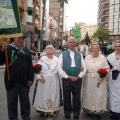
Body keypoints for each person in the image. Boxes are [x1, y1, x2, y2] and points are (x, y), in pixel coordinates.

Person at [0, 35, 34, 120]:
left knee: (25, 102)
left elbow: (30, 66)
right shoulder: (7, 49)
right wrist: (1, 50)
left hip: (24, 82)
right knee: (12, 103)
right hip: (11, 82)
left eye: (22, 39)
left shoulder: (26, 51)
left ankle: (26, 117)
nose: (21, 40)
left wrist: (31, 78)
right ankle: (13, 118)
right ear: (14, 38)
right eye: (19, 38)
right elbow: (0, 61)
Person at [58, 37, 86, 119]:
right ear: (67, 43)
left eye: (74, 42)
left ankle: (76, 113)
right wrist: (67, 76)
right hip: (66, 79)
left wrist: (79, 76)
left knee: (77, 97)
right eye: (70, 42)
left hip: (77, 79)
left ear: (75, 44)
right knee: (66, 97)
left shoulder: (79, 54)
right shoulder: (62, 54)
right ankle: (67, 112)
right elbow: (59, 68)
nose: (72, 44)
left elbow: (84, 67)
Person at [82, 43, 110, 118]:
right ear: (91, 49)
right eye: (93, 48)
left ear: (99, 49)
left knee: (99, 94)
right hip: (89, 80)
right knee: (89, 94)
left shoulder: (102, 58)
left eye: (96, 48)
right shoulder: (87, 57)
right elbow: (84, 68)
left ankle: (98, 111)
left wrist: (103, 76)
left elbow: (107, 68)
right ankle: (89, 109)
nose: (94, 49)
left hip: (99, 80)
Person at [33, 45, 60, 116]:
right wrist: (39, 77)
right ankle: (43, 110)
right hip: (44, 80)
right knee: (43, 95)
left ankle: (52, 110)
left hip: (54, 80)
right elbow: (36, 70)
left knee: (53, 95)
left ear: (53, 51)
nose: (49, 52)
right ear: (46, 51)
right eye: (48, 50)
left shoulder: (57, 59)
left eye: (51, 50)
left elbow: (60, 70)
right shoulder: (42, 59)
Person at [107, 40, 120, 119]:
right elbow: (107, 67)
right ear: (114, 47)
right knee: (113, 94)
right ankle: (113, 111)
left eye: (119, 46)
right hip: (112, 78)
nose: (117, 48)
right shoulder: (110, 57)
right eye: (116, 46)